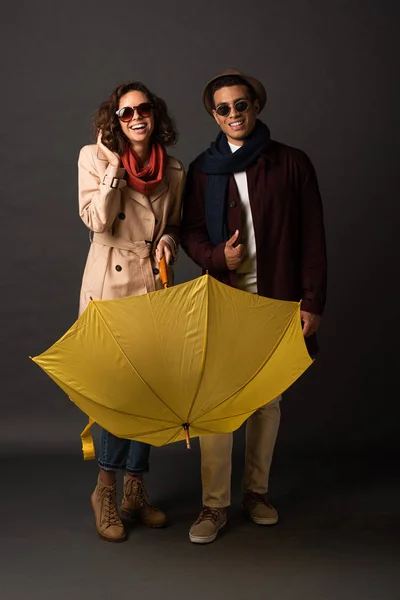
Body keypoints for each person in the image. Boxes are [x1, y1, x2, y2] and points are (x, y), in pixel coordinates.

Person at [181, 69, 327, 544]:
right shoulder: (203, 169)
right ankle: (213, 504)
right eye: (223, 108)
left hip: (277, 300)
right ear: (214, 115)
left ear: (255, 106)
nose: (233, 115)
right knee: (216, 403)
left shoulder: (292, 163)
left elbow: (312, 239)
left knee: (267, 400)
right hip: (224, 300)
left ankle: (257, 493)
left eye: (240, 105)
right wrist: (215, 256)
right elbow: (191, 233)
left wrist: (312, 301)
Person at [78, 81, 185, 542]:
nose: (136, 117)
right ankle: (105, 489)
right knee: (114, 392)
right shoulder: (93, 157)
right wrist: (114, 169)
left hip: (152, 285)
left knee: (150, 389)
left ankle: (135, 490)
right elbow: (96, 221)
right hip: (109, 288)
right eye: (126, 113)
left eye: (144, 109)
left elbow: (174, 222)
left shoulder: (174, 168)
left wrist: (168, 240)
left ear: (155, 115)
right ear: (115, 121)